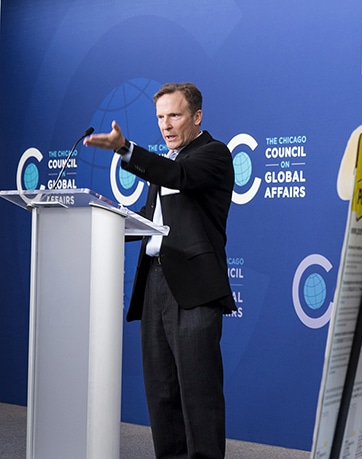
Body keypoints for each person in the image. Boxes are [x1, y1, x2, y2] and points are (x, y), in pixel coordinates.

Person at [84, 82, 236, 459]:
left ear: (197, 117)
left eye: (175, 115)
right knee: (162, 392)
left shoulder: (214, 154)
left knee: (199, 393)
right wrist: (106, 220)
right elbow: (155, 222)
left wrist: (125, 149)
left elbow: (179, 177)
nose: (166, 125)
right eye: (160, 117)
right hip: (154, 284)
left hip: (195, 290)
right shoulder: (166, 163)